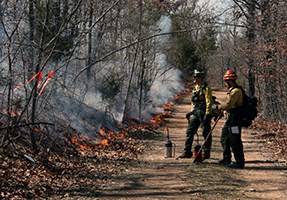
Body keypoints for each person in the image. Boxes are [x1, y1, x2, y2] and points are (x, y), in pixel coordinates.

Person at [177, 69, 213, 159]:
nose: (194, 78)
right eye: (194, 77)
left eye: (196, 77)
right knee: (190, 131)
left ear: (201, 78)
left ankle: (206, 153)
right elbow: (193, 103)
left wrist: (207, 114)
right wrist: (191, 112)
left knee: (206, 133)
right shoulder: (195, 88)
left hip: (204, 112)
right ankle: (187, 152)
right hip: (196, 112)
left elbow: (209, 102)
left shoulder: (206, 88)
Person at [215, 69, 245, 169]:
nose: (225, 84)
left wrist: (217, 107)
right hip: (230, 119)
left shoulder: (236, 91)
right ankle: (226, 158)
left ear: (230, 81)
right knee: (225, 138)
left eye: (226, 82)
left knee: (235, 140)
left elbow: (229, 104)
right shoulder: (232, 90)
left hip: (235, 120)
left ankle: (239, 162)